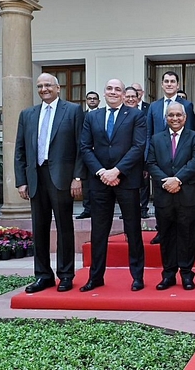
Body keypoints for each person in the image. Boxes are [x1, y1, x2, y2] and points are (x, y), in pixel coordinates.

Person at [15, 73, 84, 293]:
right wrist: (21, 181)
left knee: (64, 227)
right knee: (40, 227)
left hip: (62, 178)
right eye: (39, 86)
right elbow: (20, 150)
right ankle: (43, 275)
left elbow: (81, 147)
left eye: (47, 85)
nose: (43, 89)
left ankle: (65, 275)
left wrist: (77, 177)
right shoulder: (27, 114)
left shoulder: (72, 111)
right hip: (36, 177)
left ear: (58, 87)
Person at [79, 78, 147, 292]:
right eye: (109, 88)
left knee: (133, 230)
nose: (113, 92)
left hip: (126, 180)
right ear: (104, 91)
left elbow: (138, 146)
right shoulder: (92, 116)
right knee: (99, 231)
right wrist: (102, 172)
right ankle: (96, 276)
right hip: (99, 182)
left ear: (123, 93)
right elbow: (85, 147)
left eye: (118, 89)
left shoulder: (136, 115)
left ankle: (137, 277)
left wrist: (116, 171)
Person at [147, 102, 195, 291]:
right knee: (167, 236)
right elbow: (151, 163)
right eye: (171, 115)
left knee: (187, 236)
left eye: (178, 115)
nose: (175, 118)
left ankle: (187, 274)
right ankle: (168, 274)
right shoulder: (156, 139)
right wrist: (167, 181)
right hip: (164, 195)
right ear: (166, 118)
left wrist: (178, 179)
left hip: (186, 194)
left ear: (185, 117)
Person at [146, 71, 195, 243]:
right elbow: (149, 133)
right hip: (159, 162)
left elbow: (189, 136)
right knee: (162, 205)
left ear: (178, 84)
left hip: (181, 162)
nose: (169, 84)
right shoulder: (154, 106)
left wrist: (179, 176)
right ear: (162, 84)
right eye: (166, 81)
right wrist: (148, 162)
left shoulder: (187, 105)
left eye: (172, 81)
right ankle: (161, 232)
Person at [77, 91, 101, 220]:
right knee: (86, 183)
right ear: (86, 101)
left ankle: (98, 209)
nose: (92, 100)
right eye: (89, 99)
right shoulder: (82, 115)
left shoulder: (102, 114)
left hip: (99, 154)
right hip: (86, 153)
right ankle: (87, 208)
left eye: (94, 99)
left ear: (98, 101)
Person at [131, 83, 151, 219]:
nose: (134, 96)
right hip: (127, 153)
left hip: (143, 150)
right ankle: (131, 208)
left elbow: (149, 132)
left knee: (144, 182)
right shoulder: (123, 109)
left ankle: (143, 208)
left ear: (141, 93)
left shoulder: (148, 108)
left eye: (137, 92)